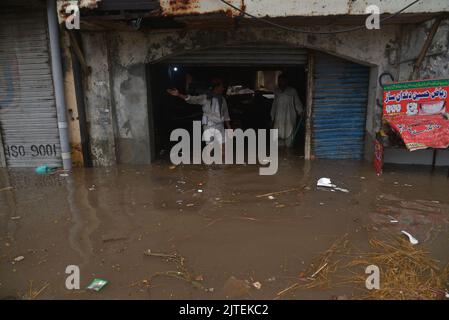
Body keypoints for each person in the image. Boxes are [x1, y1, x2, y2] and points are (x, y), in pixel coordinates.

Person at [167, 78, 231, 148]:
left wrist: (229, 128)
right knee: (210, 147)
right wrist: (179, 94)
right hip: (209, 125)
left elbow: (225, 114)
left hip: (220, 125)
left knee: (223, 146)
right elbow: (192, 99)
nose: (223, 88)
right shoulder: (206, 97)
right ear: (216, 87)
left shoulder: (222, 99)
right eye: (221, 87)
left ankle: (222, 158)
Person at [271, 74, 304, 147]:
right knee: (278, 137)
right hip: (278, 117)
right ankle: (281, 155)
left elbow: (297, 102)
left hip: (289, 117)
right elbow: (274, 104)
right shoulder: (276, 91)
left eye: (282, 81)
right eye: (279, 81)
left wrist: (300, 111)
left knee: (289, 135)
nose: (280, 83)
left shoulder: (292, 91)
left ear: (286, 81)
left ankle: (289, 151)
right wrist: (272, 116)